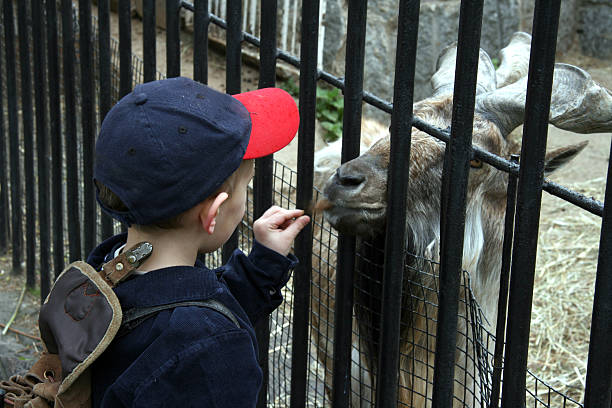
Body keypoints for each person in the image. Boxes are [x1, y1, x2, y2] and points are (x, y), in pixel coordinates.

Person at [87, 76, 309, 407]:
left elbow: (183, 315)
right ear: (214, 214)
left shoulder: (105, 270)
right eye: (245, 187)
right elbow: (196, 336)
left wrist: (262, 266)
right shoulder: (214, 353)